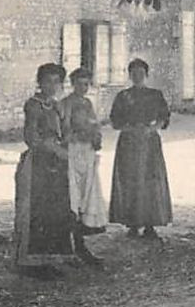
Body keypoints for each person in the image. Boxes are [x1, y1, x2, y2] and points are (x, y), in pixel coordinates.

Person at [14, 63, 98, 272]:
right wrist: (52, 148)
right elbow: (31, 137)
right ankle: (31, 262)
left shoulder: (57, 105)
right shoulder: (34, 105)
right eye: (47, 81)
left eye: (56, 82)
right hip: (39, 163)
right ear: (39, 83)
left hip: (58, 163)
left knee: (56, 210)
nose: (51, 86)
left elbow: (65, 132)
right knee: (37, 210)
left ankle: (51, 257)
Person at [108, 57, 172, 239]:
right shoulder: (122, 96)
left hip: (149, 143)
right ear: (129, 75)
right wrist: (130, 128)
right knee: (131, 180)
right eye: (134, 73)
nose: (137, 77)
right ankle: (133, 224)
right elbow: (115, 121)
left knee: (151, 181)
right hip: (128, 143)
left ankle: (151, 224)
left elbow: (164, 118)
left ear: (147, 75)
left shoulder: (155, 95)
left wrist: (151, 128)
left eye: (141, 73)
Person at [62, 67, 108, 246]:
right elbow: (65, 127)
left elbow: (95, 123)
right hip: (74, 147)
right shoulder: (67, 103)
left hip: (87, 148)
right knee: (74, 182)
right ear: (73, 84)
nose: (84, 88)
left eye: (87, 84)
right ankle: (74, 219)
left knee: (88, 183)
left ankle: (86, 220)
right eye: (80, 84)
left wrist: (96, 136)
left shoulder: (88, 103)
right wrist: (75, 135)